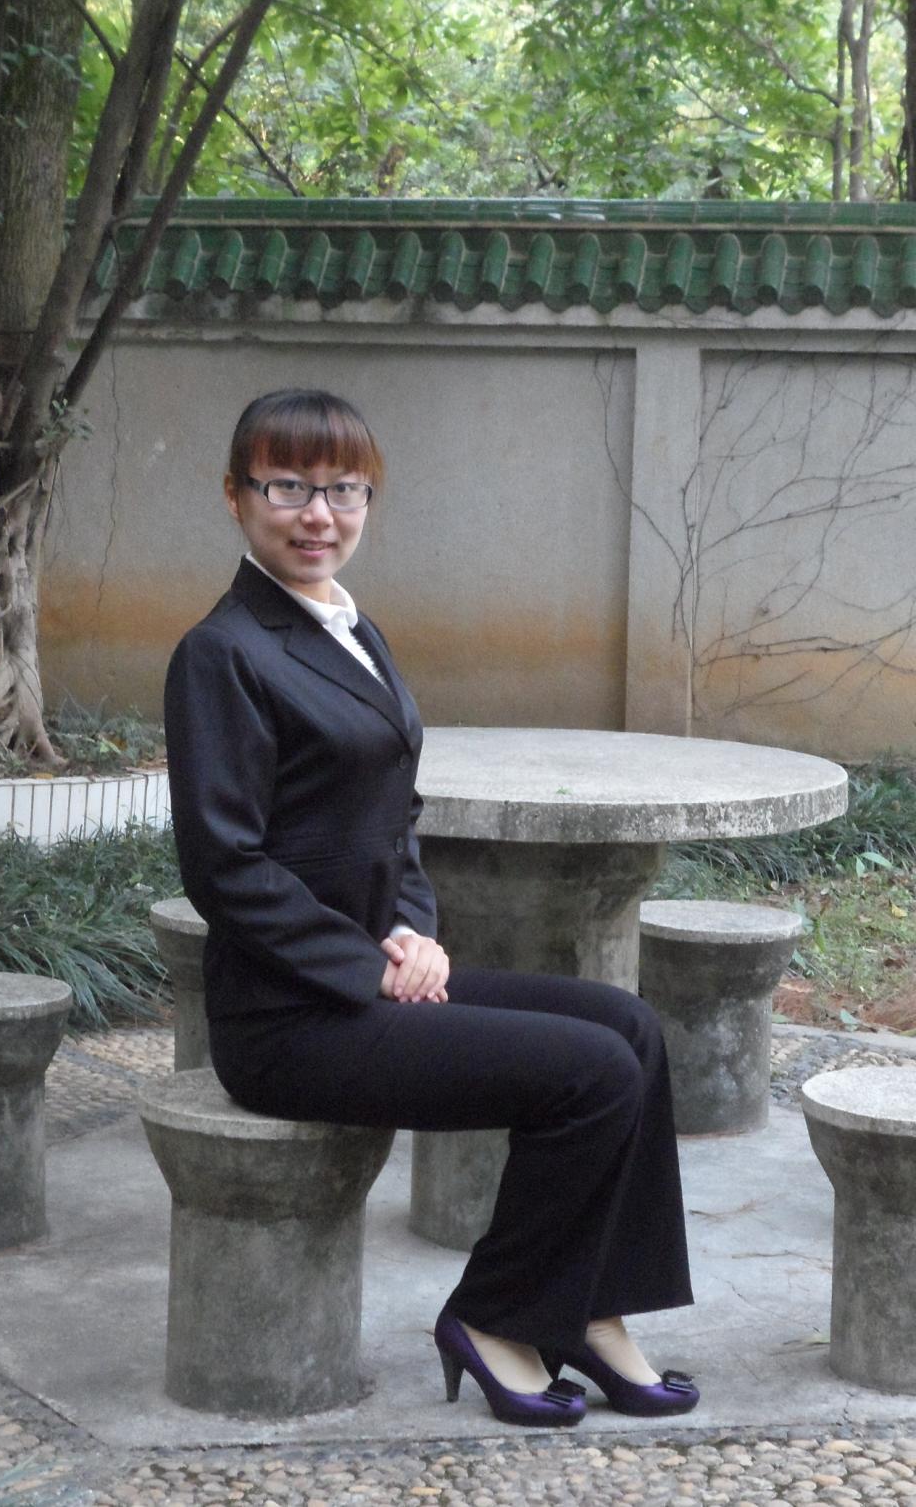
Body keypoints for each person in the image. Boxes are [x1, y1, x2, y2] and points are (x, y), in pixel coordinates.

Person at [164, 387, 698, 1428]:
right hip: (291, 1019)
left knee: (630, 1027)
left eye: (344, 489)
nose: (318, 514)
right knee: (590, 1073)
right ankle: (495, 1313)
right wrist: (366, 964)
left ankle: (590, 1309)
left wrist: (412, 927)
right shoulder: (222, 652)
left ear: (369, 499)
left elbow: (394, 813)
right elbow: (224, 866)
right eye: (287, 486)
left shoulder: (350, 628)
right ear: (235, 497)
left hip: (372, 977)